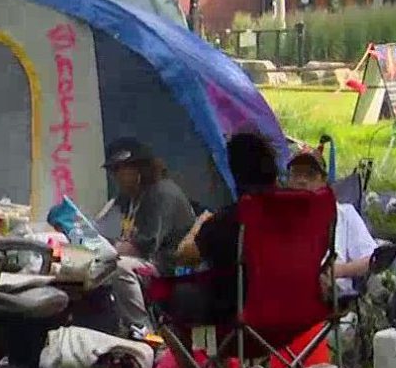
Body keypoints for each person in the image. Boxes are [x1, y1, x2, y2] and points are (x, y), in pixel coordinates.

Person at [171, 131, 282, 326]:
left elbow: (183, 255)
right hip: (296, 310)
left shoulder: (231, 219)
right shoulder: (297, 212)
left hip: (243, 315)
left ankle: (202, 347)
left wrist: (199, 223)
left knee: (179, 293)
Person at [103, 138, 197, 335]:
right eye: (112, 170)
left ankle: (145, 333)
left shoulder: (162, 193)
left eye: (119, 169)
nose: (115, 176)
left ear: (139, 168)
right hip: (143, 263)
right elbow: (103, 230)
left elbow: (143, 247)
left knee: (119, 268)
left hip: (169, 270)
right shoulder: (127, 197)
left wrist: (104, 247)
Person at [286, 149, 379, 294]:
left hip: (335, 295)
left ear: (323, 181)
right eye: (296, 174)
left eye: (310, 175)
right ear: (288, 180)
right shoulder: (275, 216)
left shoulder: (344, 213)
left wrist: (337, 271)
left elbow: (372, 259)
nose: (302, 180)